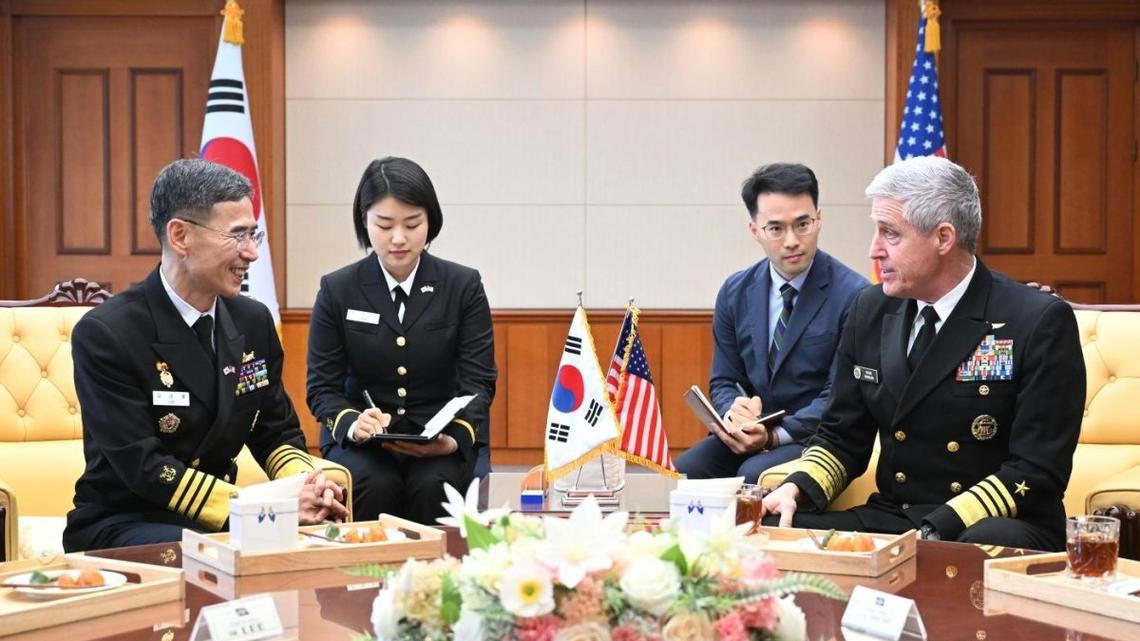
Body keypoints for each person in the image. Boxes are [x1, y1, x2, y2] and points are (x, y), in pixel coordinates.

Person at [761, 156, 1084, 551]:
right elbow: (842, 436)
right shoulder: (869, 309)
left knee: (976, 546)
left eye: (890, 234)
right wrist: (796, 487)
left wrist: (938, 528)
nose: (874, 250)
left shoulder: (1035, 321)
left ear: (943, 238)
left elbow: (1037, 470)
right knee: (776, 524)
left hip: (996, 521)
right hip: (897, 515)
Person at [64, 159, 346, 552]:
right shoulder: (108, 333)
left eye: (254, 235)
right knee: (230, 551)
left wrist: (309, 486)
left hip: (222, 521)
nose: (251, 253)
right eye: (237, 236)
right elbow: (144, 467)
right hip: (127, 522)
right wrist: (263, 509)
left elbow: (275, 431)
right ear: (180, 236)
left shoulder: (252, 321)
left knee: (320, 539)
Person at [306, 156, 496, 524]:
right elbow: (321, 387)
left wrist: (454, 438)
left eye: (412, 224)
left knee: (435, 485)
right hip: (364, 443)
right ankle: (363, 581)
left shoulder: (463, 286)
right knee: (372, 484)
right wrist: (352, 423)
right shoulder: (337, 289)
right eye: (384, 224)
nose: (398, 238)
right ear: (365, 221)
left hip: (440, 439)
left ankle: (435, 581)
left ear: (431, 222)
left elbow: (478, 381)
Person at [676, 163, 868, 482]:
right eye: (776, 228)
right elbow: (724, 380)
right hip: (751, 432)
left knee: (754, 475)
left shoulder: (856, 296)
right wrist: (733, 413)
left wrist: (773, 436)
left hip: (815, 438)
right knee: (686, 471)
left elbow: (839, 397)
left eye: (802, 224)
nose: (792, 240)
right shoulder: (734, 292)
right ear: (756, 231)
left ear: (819, 219)